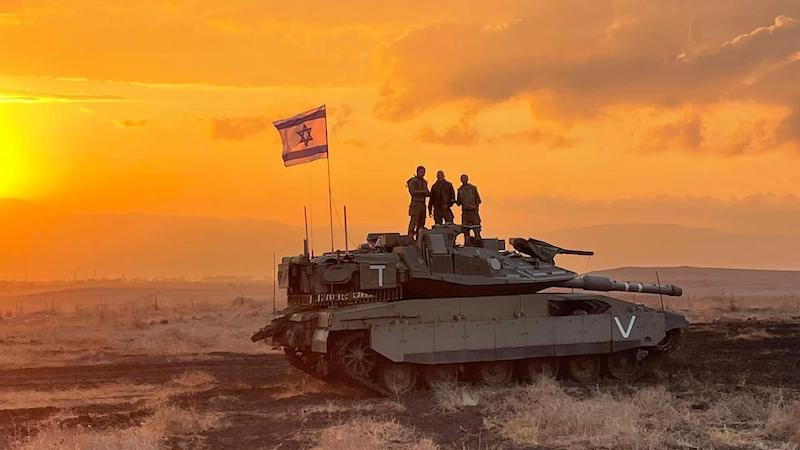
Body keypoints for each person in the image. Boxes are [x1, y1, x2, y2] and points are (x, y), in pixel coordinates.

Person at [456, 173, 482, 242]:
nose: (464, 180)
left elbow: (478, 200)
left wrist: (476, 209)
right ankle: (467, 242)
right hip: (465, 212)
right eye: (462, 179)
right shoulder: (460, 190)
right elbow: (459, 202)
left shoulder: (473, 188)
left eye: (465, 178)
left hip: (473, 211)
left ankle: (478, 241)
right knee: (465, 230)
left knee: (476, 229)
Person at [406, 165, 430, 239]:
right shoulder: (412, 181)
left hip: (423, 204)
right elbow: (412, 192)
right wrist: (423, 192)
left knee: (422, 222)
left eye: (423, 172)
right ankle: (410, 237)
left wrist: (426, 192)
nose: (422, 173)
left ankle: (419, 238)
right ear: (417, 172)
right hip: (415, 204)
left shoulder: (424, 182)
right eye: (421, 172)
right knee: (414, 221)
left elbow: (428, 193)